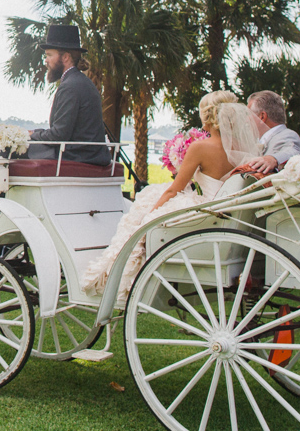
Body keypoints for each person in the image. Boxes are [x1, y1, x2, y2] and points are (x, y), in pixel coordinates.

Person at [81, 91, 261, 300]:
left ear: (208, 116)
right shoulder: (243, 148)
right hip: (224, 211)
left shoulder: (201, 147)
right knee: (150, 198)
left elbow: (174, 189)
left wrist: (149, 215)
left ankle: (120, 266)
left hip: (206, 212)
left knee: (146, 203)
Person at [24, 24, 110, 166]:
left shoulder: (70, 86)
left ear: (65, 57)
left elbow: (58, 134)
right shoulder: (82, 82)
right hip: (87, 153)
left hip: (77, 156)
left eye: (49, 55)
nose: (46, 60)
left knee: (8, 150)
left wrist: (32, 135)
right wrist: (34, 132)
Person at [231, 90, 300, 176]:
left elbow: (294, 151)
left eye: (248, 114)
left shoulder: (287, 134)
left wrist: (274, 159)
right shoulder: (260, 141)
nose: (246, 119)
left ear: (262, 116)